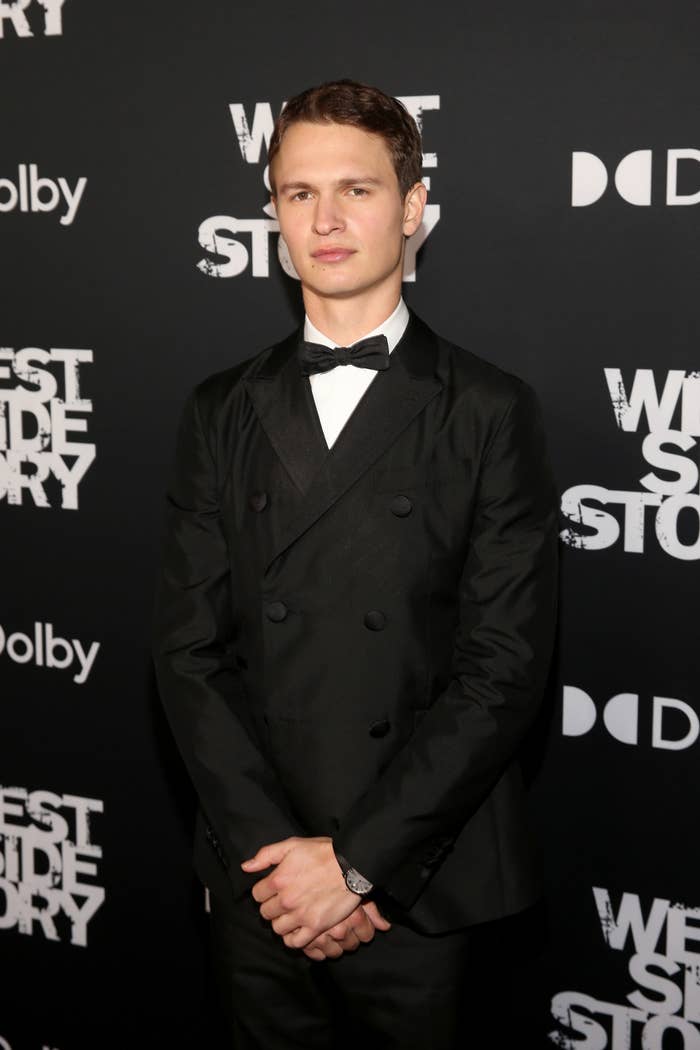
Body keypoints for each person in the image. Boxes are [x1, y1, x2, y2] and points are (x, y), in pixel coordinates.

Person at [152, 78, 559, 1049]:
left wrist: (360, 865)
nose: (325, 220)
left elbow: (500, 669)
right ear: (273, 216)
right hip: (265, 887)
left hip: (426, 883)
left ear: (413, 207)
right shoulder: (219, 410)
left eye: (357, 190)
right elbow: (188, 652)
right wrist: (281, 866)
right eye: (299, 194)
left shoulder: (490, 410)